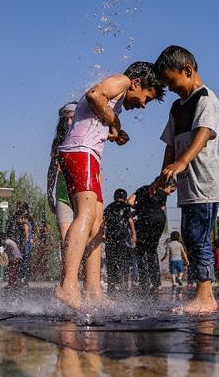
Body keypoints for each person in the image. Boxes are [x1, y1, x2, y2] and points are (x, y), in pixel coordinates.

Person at [55, 61, 165, 310]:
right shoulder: (123, 81)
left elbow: (98, 116)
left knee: (97, 223)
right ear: (137, 83)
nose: (143, 105)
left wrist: (116, 132)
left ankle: (93, 289)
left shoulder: (118, 100)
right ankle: (67, 285)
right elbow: (94, 95)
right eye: (146, 97)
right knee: (86, 214)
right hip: (79, 150)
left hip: (89, 153)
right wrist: (115, 122)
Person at [152, 45, 219, 314]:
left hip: (204, 183)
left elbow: (205, 132)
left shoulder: (206, 99)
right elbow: (170, 145)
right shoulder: (176, 107)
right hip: (187, 187)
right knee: (190, 236)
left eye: (172, 82)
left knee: (199, 237)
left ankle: (206, 297)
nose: (170, 89)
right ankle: (201, 293)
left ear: (188, 70)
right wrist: (163, 175)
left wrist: (183, 161)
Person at [128, 184, 171, 294]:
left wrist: (140, 208)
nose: (170, 193)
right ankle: (156, 283)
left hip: (143, 222)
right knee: (152, 251)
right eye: (171, 189)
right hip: (157, 223)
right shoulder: (162, 193)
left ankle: (144, 282)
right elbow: (161, 209)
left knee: (141, 252)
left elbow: (129, 201)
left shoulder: (142, 189)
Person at [47, 102, 77, 244]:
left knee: (81, 241)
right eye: (66, 119)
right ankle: (68, 267)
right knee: (65, 241)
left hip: (82, 195)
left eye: (72, 118)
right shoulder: (58, 142)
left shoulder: (86, 138)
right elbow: (52, 167)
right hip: (62, 195)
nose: (69, 122)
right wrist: (49, 192)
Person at [103, 189, 135, 293]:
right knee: (121, 260)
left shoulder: (109, 207)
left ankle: (111, 284)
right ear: (125, 197)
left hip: (110, 237)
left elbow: (104, 222)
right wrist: (133, 234)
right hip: (122, 237)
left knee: (111, 260)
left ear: (114, 197)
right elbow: (130, 221)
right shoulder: (126, 207)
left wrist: (103, 234)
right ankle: (120, 283)